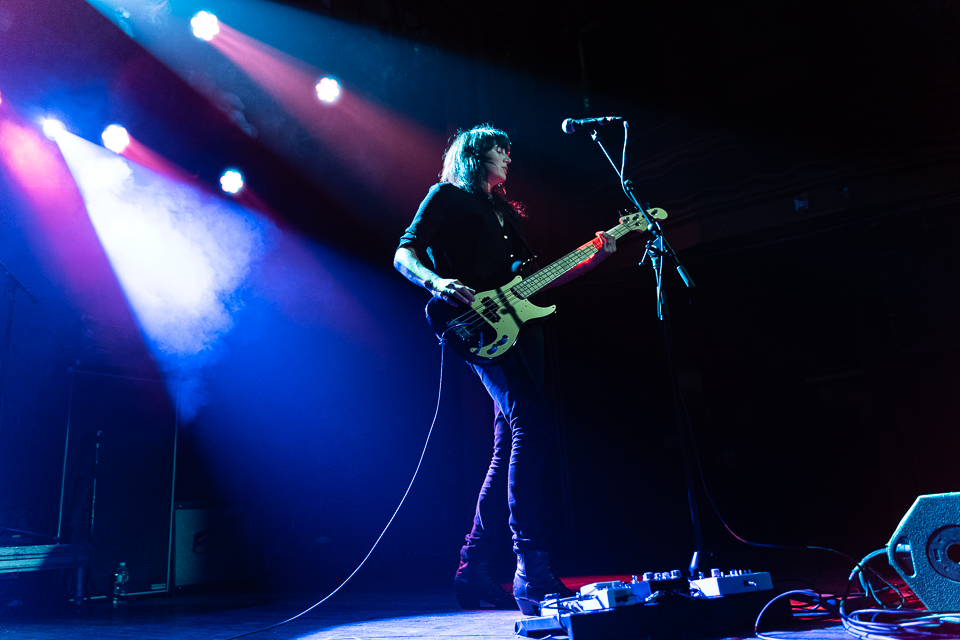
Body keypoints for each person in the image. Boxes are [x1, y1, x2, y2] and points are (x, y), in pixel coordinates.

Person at [393, 124, 616, 615]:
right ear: (474, 154)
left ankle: (473, 570)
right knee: (531, 425)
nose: (508, 156)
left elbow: (532, 283)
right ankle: (530, 567)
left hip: (524, 330)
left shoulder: (504, 213)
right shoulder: (446, 197)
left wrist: (592, 259)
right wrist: (437, 281)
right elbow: (403, 252)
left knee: (510, 440)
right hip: (481, 328)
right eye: (499, 148)